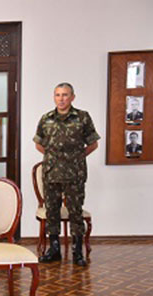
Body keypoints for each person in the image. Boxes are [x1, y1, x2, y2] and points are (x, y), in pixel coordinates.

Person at [34, 82, 100, 266]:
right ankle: (54, 250)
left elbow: (93, 144)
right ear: (54, 97)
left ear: (72, 97)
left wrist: (76, 158)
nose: (61, 99)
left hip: (74, 174)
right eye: (57, 95)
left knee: (75, 212)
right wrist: (55, 158)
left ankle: (77, 252)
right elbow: (39, 144)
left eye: (65, 95)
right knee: (52, 212)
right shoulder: (46, 118)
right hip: (51, 173)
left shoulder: (82, 117)